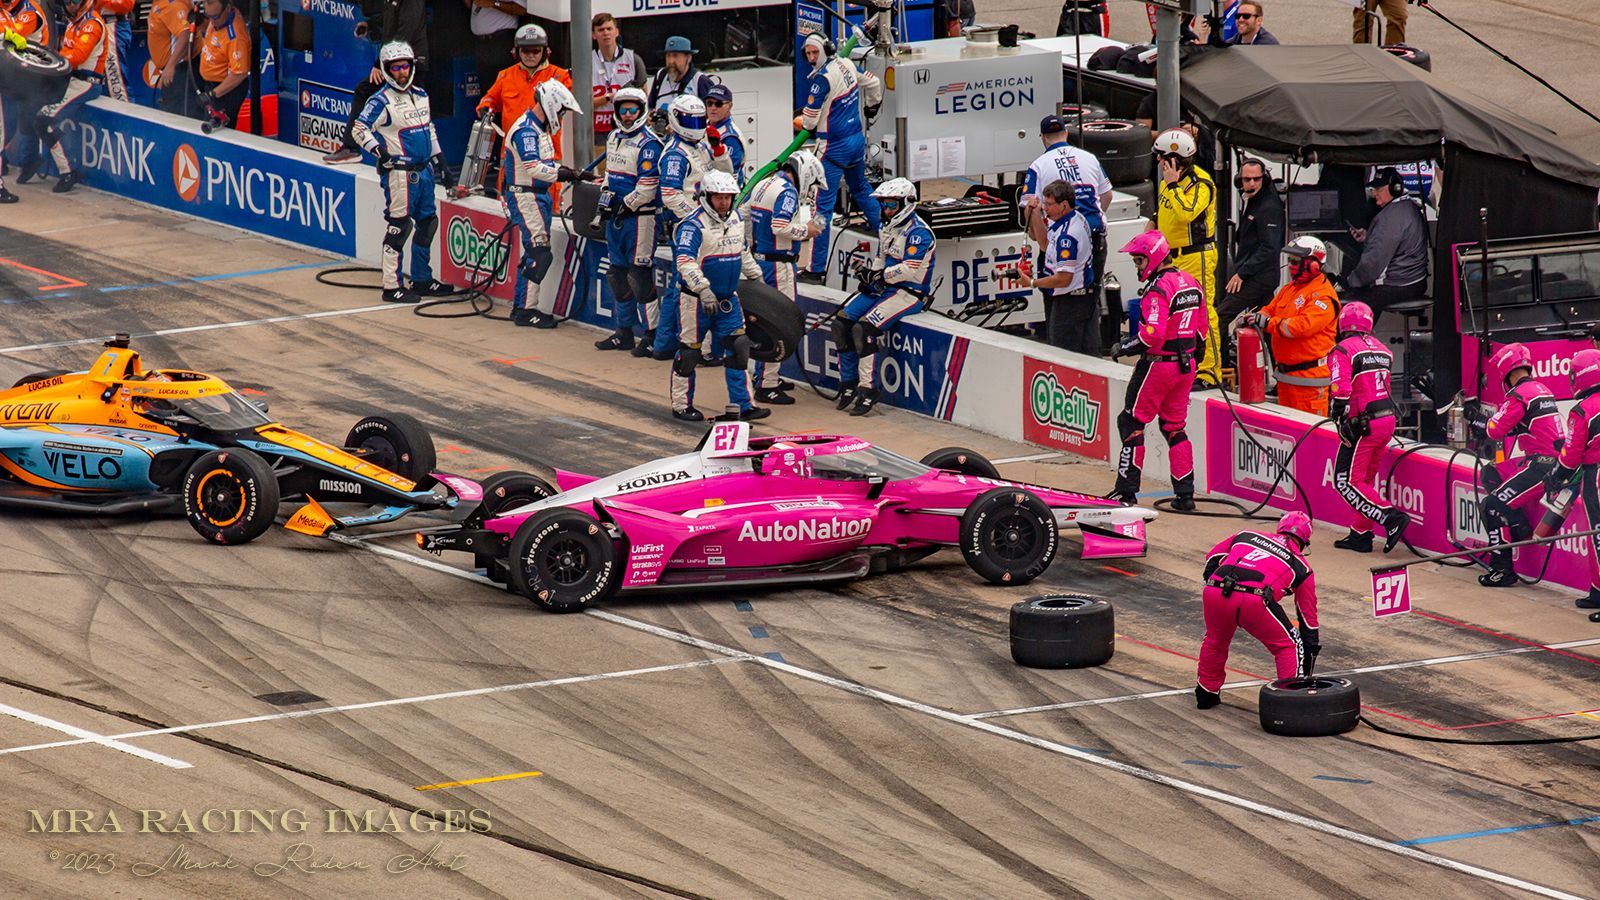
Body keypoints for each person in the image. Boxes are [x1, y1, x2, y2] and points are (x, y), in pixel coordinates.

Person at [1108, 230, 1207, 509]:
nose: (1138, 267)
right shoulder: (1191, 282)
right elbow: (1202, 330)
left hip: (1158, 366)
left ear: (1153, 258)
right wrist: (1192, 360)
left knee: (1131, 423)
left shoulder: (1158, 289)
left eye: (1139, 261)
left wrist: (1124, 347)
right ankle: (1185, 496)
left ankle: (1126, 492)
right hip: (1186, 366)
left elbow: (1152, 335)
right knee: (1174, 427)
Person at [352, 42, 450, 305]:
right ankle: (391, 285)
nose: (401, 72)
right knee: (400, 226)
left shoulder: (421, 95)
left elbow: (428, 129)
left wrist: (440, 161)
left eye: (405, 66)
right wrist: (380, 153)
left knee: (428, 223)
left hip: (425, 171)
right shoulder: (380, 100)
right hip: (400, 173)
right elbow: (359, 128)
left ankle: (422, 279)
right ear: (386, 70)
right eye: (395, 68)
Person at [669, 170, 768, 423]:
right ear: (707, 197)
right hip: (695, 300)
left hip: (728, 299)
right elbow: (685, 262)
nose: (723, 202)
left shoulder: (736, 218)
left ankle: (744, 405)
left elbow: (743, 252)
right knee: (689, 354)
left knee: (739, 347)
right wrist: (703, 288)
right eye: (718, 197)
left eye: (728, 197)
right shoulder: (692, 225)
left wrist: (757, 278)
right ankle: (681, 405)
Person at [1195, 512, 1319, 709]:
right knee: (1289, 646)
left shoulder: (1246, 534)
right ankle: (1290, 704)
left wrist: (1215, 586)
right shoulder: (1303, 568)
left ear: (1280, 528)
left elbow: (1212, 558)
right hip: (1254, 598)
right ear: (1305, 541)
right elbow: (1308, 620)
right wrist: (1310, 651)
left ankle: (1205, 695)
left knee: (1215, 640)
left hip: (1215, 589)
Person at [833, 178, 933, 417]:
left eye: (891, 205)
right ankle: (848, 383)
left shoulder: (919, 232)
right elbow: (882, 256)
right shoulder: (886, 225)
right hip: (885, 287)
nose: (887, 210)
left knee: (864, 329)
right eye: (884, 205)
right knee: (842, 322)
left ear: (906, 204)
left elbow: (909, 269)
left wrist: (880, 275)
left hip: (909, 293)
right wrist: (871, 279)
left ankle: (867, 389)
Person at [1474, 343, 1565, 587]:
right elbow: (1522, 425)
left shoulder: (1519, 395)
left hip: (1541, 467)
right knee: (1491, 472)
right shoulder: (1541, 389)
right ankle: (1517, 523)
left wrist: (1477, 419)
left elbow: (1494, 430)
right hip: (1547, 461)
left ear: (1506, 370)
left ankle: (1502, 570)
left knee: (1491, 506)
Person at [1326, 301, 1411, 553]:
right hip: (1387, 421)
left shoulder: (1342, 349)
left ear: (1342, 323)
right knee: (1364, 480)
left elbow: (1340, 390)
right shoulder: (1384, 350)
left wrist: (1337, 417)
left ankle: (1390, 518)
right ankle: (1360, 534)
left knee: (1345, 482)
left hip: (1363, 424)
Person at [499, 80, 584, 327]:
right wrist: (566, 174)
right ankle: (527, 310)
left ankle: (520, 306)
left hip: (539, 195)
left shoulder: (539, 129)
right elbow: (534, 168)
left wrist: (573, 172)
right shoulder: (526, 130)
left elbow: (546, 164)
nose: (562, 116)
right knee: (539, 252)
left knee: (533, 252)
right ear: (551, 106)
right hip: (526, 196)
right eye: (562, 111)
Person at [744, 149, 823, 404]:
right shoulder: (787, 191)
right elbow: (780, 227)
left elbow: (745, 217)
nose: (809, 190)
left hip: (758, 261)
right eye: (811, 185)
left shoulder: (764, 182)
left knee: (761, 323)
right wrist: (807, 230)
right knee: (778, 324)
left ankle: (763, 377)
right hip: (778, 266)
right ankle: (767, 385)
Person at [800, 32, 882, 278]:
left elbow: (808, 122)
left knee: (822, 209)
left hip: (832, 148)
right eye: (809, 54)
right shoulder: (846, 63)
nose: (813, 59)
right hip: (857, 142)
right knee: (862, 190)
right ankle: (888, 238)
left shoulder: (821, 80)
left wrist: (802, 119)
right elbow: (874, 83)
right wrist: (871, 106)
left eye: (816, 53)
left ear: (826, 49)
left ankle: (815, 270)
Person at [1022, 114, 1112, 335]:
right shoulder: (1089, 158)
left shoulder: (1038, 165)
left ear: (1043, 138)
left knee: (1058, 306)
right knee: (1089, 301)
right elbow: (1107, 196)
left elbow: (1029, 208)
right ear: (1066, 134)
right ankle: (1089, 351)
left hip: (1059, 243)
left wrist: (1038, 236)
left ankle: (1062, 353)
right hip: (1094, 239)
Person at [649, 95, 724, 360]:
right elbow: (669, 194)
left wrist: (719, 150)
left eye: (698, 119)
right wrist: (696, 218)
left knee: (686, 285)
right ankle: (665, 345)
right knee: (682, 286)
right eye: (689, 120)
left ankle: (670, 345)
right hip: (686, 225)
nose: (696, 124)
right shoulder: (674, 154)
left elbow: (724, 175)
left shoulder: (703, 146)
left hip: (705, 222)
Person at [593, 87, 661, 353]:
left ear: (642, 111)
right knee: (617, 275)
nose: (629, 115)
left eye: (633, 109)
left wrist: (624, 205)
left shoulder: (650, 143)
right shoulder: (613, 137)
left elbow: (648, 188)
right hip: (617, 220)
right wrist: (605, 196)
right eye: (624, 109)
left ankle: (653, 335)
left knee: (639, 277)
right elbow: (610, 174)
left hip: (641, 219)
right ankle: (624, 332)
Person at [1153, 128, 1222, 384]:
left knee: (1204, 311)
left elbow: (1187, 213)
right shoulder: (1166, 182)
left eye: (1162, 158)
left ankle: (1209, 371)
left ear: (1174, 159)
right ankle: (1186, 363)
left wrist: (1172, 185)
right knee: (1177, 313)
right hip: (1171, 257)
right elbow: (1164, 211)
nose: (1159, 163)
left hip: (1197, 256)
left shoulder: (1201, 184)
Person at [1241, 236, 1337, 415]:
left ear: (1313, 264)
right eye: (1289, 260)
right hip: (1286, 379)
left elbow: (1302, 327)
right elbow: (1270, 309)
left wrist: (1268, 323)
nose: (1291, 265)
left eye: (1295, 261)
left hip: (1309, 382)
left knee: (1310, 440)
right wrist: (1256, 318)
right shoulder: (1289, 289)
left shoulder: (1323, 295)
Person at [324, 0, 428, 164]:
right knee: (366, 91)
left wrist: (380, 65)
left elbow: (404, 34)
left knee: (411, 111)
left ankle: (420, 157)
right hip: (393, 63)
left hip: (409, 65)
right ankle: (351, 148)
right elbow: (389, 19)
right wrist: (370, 25)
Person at [478, 24, 573, 199]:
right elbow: (489, 98)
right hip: (512, 157)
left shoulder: (559, 76)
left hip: (544, 156)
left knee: (546, 210)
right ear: (516, 52)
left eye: (535, 51)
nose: (530, 55)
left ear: (545, 51)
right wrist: (486, 108)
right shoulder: (505, 76)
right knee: (508, 209)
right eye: (525, 51)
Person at [34, 0, 107, 194]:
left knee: (44, 120)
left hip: (87, 83)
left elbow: (78, 56)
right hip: (70, 81)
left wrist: (53, 60)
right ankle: (41, 161)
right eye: (67, 1)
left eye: (74, 1)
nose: (70, 5)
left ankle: (68, 172)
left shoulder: (92, 24)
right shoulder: (74, 23)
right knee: (37, 114)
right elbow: (67, 54)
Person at [1546, 349, 1600, 610]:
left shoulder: (1581, 411)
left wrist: (1556, 476)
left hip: (1596, 476)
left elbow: (1570, 457)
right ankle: (1597, 590)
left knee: (1598, 534)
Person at [1020, 180, 1097, 354]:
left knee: (1063, 355)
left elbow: (1064, 279)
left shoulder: (1067, 237)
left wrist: (1032, 282)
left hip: (1071, 303)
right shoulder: (1071, 218)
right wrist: (1034, 216)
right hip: (1075, 299)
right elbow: (1044, 244)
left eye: (1049, 205)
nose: (1045, 208)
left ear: (1063, 205)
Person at [1344, 167, 1428, 317]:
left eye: (1379, 189)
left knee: (1354, 308)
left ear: (1395, 189)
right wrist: (1369, 237)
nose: (1374, 193)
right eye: (1373, 188)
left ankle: (1354, 339)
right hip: (1416, 281)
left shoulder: (1388, 217)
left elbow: (1372, 264)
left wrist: (1350, 281)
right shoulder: (1409, 207)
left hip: (1399, 284)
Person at [1220, 158, 1283, 333]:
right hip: (1256, 274)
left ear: (1265, 179)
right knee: (1264, 323)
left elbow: (1269, 247)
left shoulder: (1269, 206)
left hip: (1258, 277)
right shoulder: (1251, 200)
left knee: (1220, 316)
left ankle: (1214, 357)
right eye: (1247, 180)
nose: (1252, 183)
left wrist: (1242, 273)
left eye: (1257, 179)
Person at [590, 12, 646, 151]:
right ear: (593, 35)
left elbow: (644, 98)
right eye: (601, 30)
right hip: (599, 131)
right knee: (604, 171)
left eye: (609, 29)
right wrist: (608, 98)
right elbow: (582, 105)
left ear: (616, 32)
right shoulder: (586, 61)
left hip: (630, 129)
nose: (605, 33)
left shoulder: (633, 59)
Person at [194, 0, 249, 128]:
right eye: (209, 17)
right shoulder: (217, 19)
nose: (212, 22)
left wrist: (213, 94)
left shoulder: (235, 37)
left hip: (225, 90)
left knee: (218, 130)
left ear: (228, 8)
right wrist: (202, 22)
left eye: (215, 17)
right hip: (210, 84)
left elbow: (239, 74)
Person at [145, 0, 194, 115]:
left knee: (176, 115)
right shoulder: (159, 3)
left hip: (179, 71)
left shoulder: (172, 5)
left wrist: (170, 66)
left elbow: (185, 34)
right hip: (171, 71)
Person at [466, 0, 522, 102]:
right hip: (481, 43)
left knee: (504, 87)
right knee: (486, 88)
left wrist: (494, 4)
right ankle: (489, 115)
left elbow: (522, 9)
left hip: (500, 40)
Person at [645, 35, 715, 114]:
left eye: (675, 56)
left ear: (688, 58)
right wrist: (651, 116)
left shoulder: (700, 81)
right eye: (668, 56)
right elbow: (650, 106)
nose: (671, 61)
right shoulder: (660, 75)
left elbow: (713, 114)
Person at [703, 84, 745, 187]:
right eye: (709, 103)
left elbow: (729, 177)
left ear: (730, 106)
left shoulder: (730, 137)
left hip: (724, 195)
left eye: (718, 104)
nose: (713, 108)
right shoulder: (704, 125)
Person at [96, 0, 134, 101]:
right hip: (94, 24)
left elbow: (127, 3)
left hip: (113, 24)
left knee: (115, 80)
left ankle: (123, 114)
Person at [1205, 0, 1277, 47]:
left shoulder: (1267, 44)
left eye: (1246, 16)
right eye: (1238, 16)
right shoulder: (1233, 42)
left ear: (1259, 20)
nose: (1241, 19)